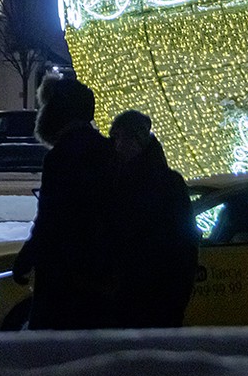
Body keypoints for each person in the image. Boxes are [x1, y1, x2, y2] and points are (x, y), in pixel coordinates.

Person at [13, 75, 115, 329]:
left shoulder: (61, 157)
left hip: (64, 274)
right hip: (102, 272)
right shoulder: (108, 151)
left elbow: (50, 218)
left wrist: (25, 260)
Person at [106, 110, 198, 328]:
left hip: (157, 295)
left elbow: (184, 244)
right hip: (129, 295)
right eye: (115, 138)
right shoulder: (117, 179)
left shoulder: (164, 183)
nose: (117, 146)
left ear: (137, 140)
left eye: (121, 138)